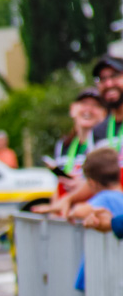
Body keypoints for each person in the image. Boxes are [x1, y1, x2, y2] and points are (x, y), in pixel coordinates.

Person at [37, 55, 123, 216]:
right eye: (103, 79)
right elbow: (95, 182)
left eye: (115, 76)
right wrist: (67, 200)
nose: (109, 83)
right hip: (111, 221)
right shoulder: (99, 132)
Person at [66, 147, 123, 291]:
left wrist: (70, 210)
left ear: (91, 182)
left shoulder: (105, 198)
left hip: (104, 277)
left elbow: (80, 211)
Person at [50, 88, 105, 196]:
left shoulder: (105, 144)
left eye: (95, 105)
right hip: (67, 206)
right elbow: (57, 187)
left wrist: (84, 184)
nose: (88, 109)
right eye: (83, 103)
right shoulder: (62, 145)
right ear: (72, 109)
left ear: (104, 113)